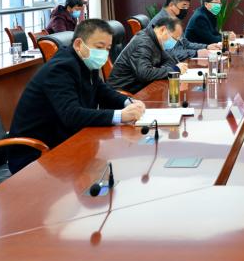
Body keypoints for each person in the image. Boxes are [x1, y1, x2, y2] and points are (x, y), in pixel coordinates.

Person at [8, 19, 145, 173]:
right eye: (99, 47)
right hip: (36, 155)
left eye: (107, 49)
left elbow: (102, 91)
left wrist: (128, 102)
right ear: (79, 44)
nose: (104, 54)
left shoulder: (85, 61)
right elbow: (71, 115)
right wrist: (120, 116)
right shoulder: (60, 68)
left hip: (64, 142)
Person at [109, 14, 188, 94]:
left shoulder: (156, 40)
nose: (175, 42)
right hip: (123, 92)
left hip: (141, 88)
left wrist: (163, 69)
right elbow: (144, 74)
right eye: (174, 38)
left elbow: (171, 61)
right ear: (162, 30)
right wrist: (174, 70)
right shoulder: (143, 43)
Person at [147, 0, 221, 60]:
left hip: (180, 59)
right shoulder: (160, 22)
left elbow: (185, 43)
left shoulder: (174, 20)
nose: (186, 10)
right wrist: (196, 53)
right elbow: (168, 53)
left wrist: (206, 47)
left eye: (187, 7)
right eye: (184, 6)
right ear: (172, 5)